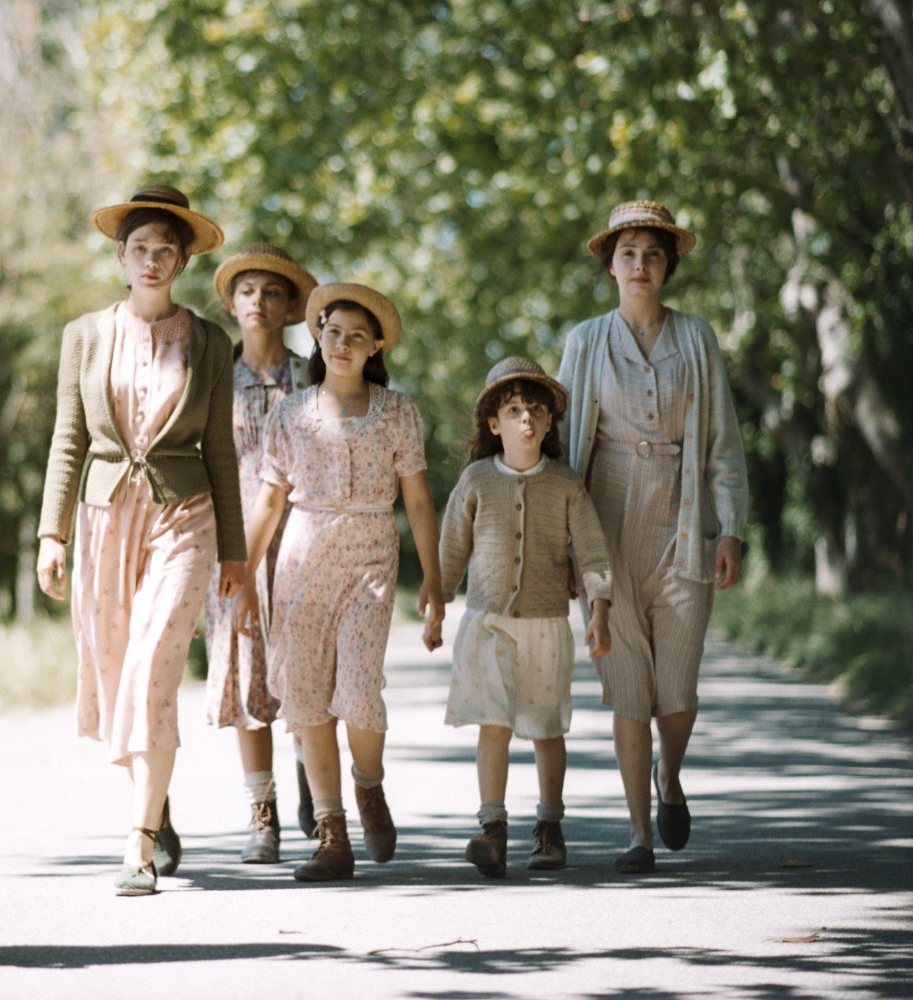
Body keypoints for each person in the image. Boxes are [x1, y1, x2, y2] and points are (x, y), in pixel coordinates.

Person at [35, 184, 246, 897]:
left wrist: (237, 550)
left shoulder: (212, 342)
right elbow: (68, 438)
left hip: (185, 515)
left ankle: (139, 843)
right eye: (140, 248)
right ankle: (154, 801)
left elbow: (220, 448)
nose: (152, 260)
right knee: (115, 665)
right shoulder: (85, 335)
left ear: (183, 259)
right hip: (102, 517)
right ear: (120, 256)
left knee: (153, 661)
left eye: (166, 249)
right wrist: (50, 531)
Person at [557, 200, 748, 875]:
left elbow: (723, 442)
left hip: (684, 516)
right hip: (603, 523)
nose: (641, 264)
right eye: (629, 252)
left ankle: (671, 775)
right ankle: (638, 831)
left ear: (667, 268)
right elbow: (562, 447)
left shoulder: (696, 338)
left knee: (678, 689)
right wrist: (564, 547)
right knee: (628, 688)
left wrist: (732, 529)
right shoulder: (583, 342)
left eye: (653, 254)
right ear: (610, 265)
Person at [238, 282, 445, 882]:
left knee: (357, 689)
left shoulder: (398, 412)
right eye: (334, 333)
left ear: (376, 345)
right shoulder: (290, 413)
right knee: (305, 699)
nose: (345, 345)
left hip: (369, 561)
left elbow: (420, 501)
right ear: (318, 338)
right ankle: (331, 834)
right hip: (301, 564)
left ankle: (369, 784)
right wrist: (244, 571)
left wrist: (432, 578)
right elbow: (269, 500)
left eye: (359, 336)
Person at [438, 357, 613, 878]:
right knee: (493, 724)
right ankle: (491, 828)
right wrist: (434, 609)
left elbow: (593, 552)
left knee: (545, 727)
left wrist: (598, 612)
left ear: (550, 422)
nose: (525, 420)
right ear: (494, 424)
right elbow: (451, 550)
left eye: (535, 410)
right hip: (486, 620)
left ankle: (550, 825)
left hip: (545, 624)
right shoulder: (475, 480)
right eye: (513, 411)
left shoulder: (565, 484)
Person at [203, 243, 318, 864]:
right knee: (248, 678)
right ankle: (261, 814)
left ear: (291, 306)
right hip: (233, 538)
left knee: (302, 670)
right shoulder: (214, 373)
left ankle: (313, 777)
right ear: (231, 302)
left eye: (272, 292)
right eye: (247, 291)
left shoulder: (311, 375)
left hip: (301, 535)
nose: (259, 302)